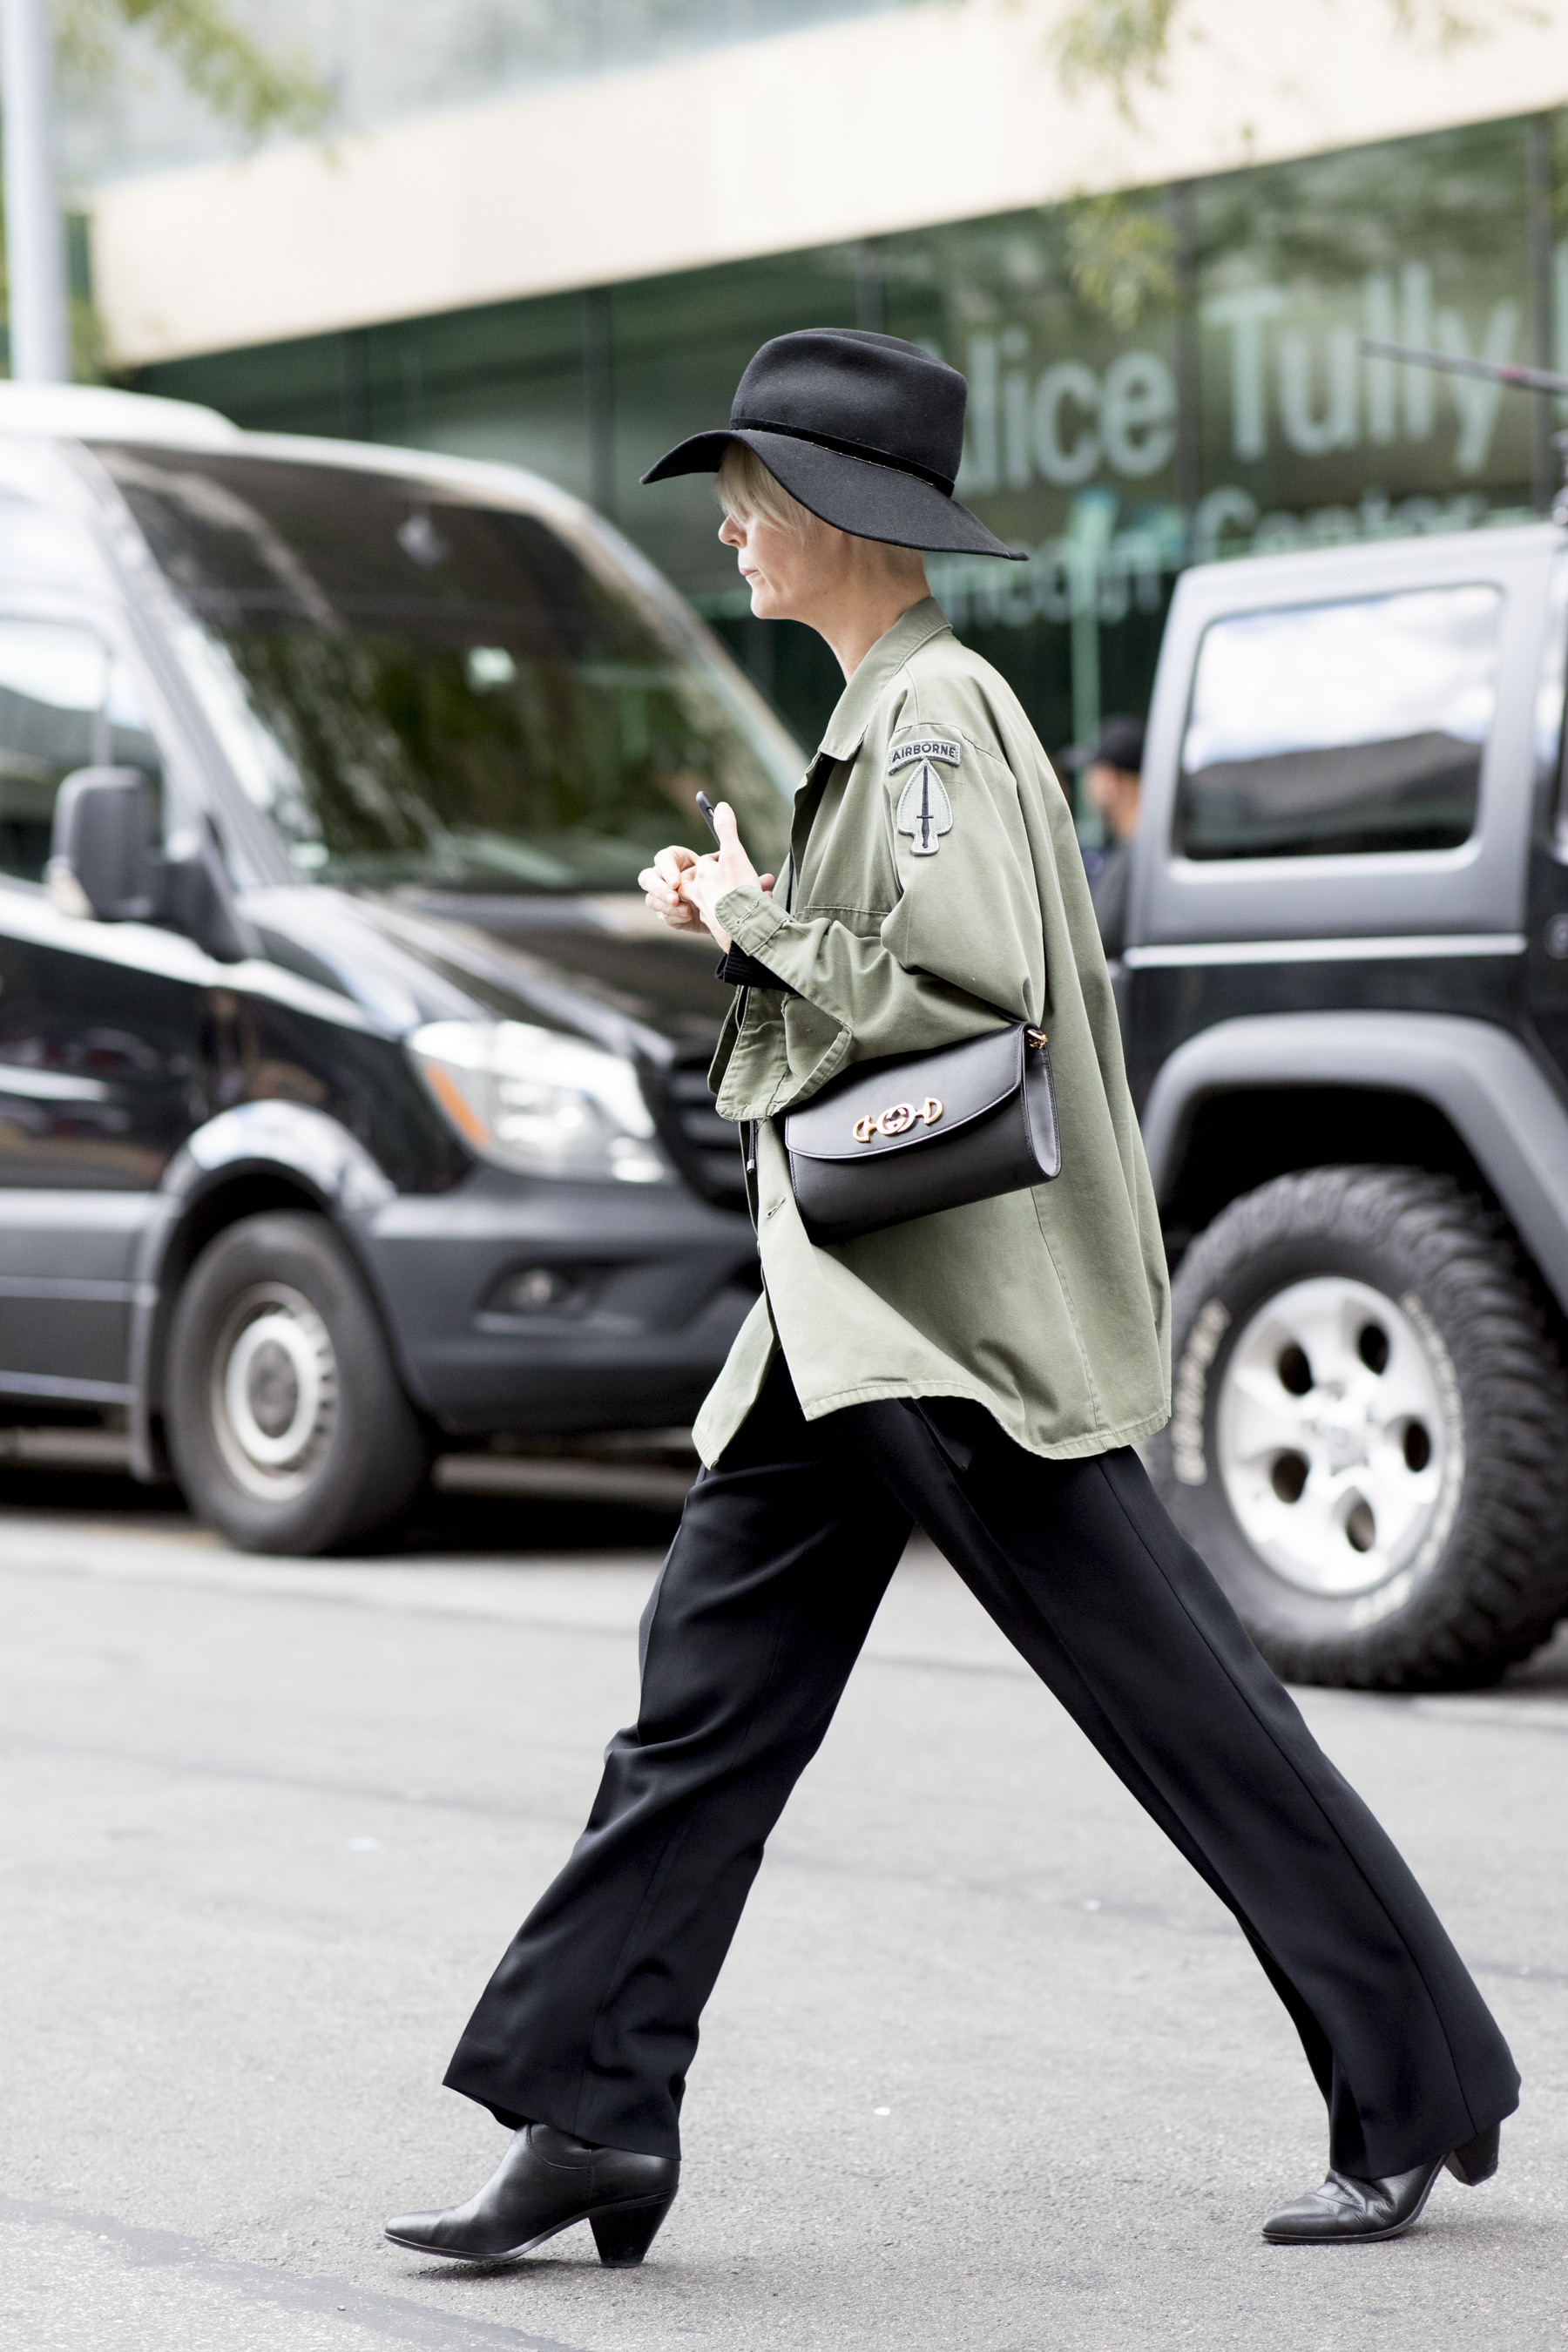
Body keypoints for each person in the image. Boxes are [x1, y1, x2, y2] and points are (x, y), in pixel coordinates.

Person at [385, 329, 1517, 2273]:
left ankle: (1417, 2085)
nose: (733, 527)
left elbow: (957, 980)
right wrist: (751, 908)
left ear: (838, 514)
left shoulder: (929, 716)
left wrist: (742, 915)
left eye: (753, 493)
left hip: (943, 1335)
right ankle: (595, 2115)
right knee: (699, 1722)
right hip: (842, 1328)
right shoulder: (888, 719)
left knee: (1186, 1717)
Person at [1077, 713, 1145, 960]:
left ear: (1110, 780)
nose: (1085, 785)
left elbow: (1096, 949)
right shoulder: (1141, 852)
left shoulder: (1133, 859)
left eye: (1090, 773)